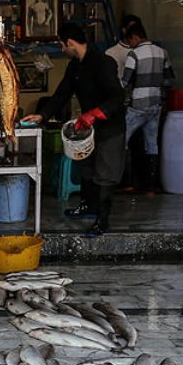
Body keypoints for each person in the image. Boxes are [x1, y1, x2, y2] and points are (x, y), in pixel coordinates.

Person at [35, 22, 126, 237]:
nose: (62, 49)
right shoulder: (76, 66)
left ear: (70, 43)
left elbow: (117, 97)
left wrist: (94, 113)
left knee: (105, 173)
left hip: (109, 126)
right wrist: (42, 115)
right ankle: (88, 206)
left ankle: (102, 221)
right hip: (90, 126)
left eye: (62, 45)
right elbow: (61, 94)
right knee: (87, 165)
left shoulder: (103, 62)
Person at [121, 22, 174, 193]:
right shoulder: (162, 52)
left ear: (135, 37)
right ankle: (150, 187)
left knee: (123, 140)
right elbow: (169, 80)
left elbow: (125, 81)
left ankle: (127, 182)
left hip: (138, 105)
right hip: (156, 104)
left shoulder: (134, 54)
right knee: (152, 144)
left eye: (130, 41)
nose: (130, 44)